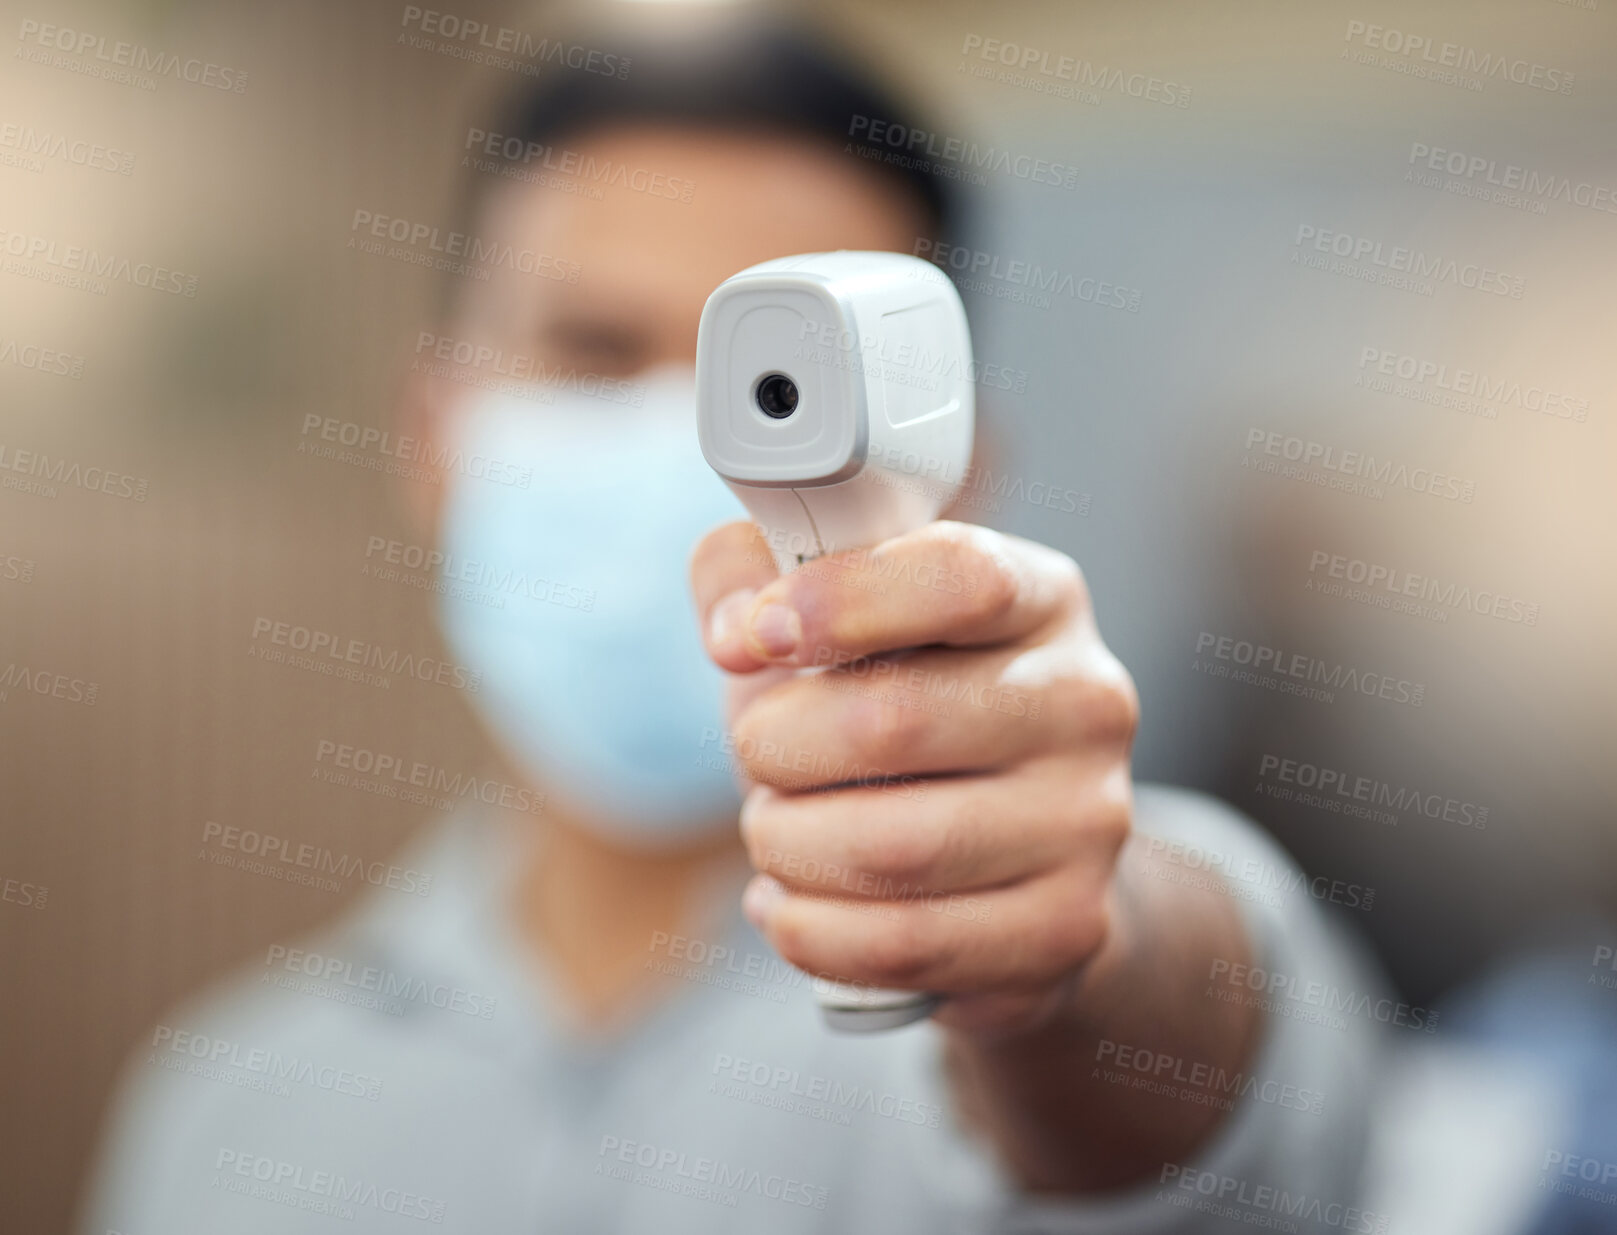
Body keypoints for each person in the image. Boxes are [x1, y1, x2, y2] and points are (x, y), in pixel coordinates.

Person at [82, 12, 1421, 1233]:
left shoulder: (1012, 994)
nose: (701, 450)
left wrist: (1080, 960)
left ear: (959, 472)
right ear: (434, 435)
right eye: (594, 350)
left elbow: (1207, 1084)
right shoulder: (224, 1116)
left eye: (782, 380)